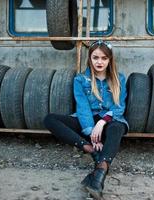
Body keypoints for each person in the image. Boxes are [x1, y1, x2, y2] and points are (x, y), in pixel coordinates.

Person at [44, 40, 128, 199]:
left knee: (117, 127)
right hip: (87, 122)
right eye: (95, 57)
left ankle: (99, 173)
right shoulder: (81, 80)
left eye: (104, 58)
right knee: (50, 119)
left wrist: (103, 122)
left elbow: (119, 106)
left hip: (110, 122)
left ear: (110, 60)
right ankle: (91, 151)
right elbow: (82, 108)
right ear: (89, 58)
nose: (99, 62)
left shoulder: (119, 79)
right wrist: (91, 133)